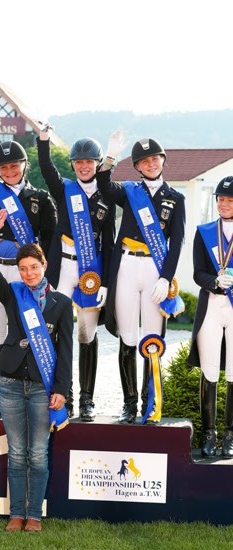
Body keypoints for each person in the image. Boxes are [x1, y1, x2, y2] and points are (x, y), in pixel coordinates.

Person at [0, 209, 73, 532]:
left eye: (34, 267)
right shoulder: (13, 294)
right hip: (10, 383)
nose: (29, 273)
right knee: (17, 453)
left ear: (44, 266)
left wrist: (62, 389)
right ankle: (16, 514)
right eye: (23, 269)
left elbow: (65, 351)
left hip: (42, 388)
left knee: (38, 453)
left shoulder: (61, 303)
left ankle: (35, 515)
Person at [0, 124, 57, 418]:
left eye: (14, 165)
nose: (9, 170)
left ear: (24, 165)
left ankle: (30, 391)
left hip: (25, 274)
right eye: (3, 167)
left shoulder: (40, 198)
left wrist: (48, 280)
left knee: (28, 331)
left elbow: (50, 241)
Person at [96, 134, 185, 423]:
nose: (150, 163)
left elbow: (177, 242)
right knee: (127, 338)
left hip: (154, 271)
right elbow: (104, 187)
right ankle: (128, 404)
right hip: (126, 267)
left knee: (152, 339)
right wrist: (109, 157)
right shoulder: (130, 191)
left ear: (162, 160)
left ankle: (151, 404)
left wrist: (166, 277)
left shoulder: (176, 198)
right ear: (136, 166)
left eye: (154, 158)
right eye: (144, 161)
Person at [37, 128, 115, 421]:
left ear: (96, 164)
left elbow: (109, 242)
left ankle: (87, 399)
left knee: (86, 334)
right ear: (73, 165)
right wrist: (43, 139)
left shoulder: (106, 196)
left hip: (90, 272)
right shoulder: (64, 189)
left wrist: (105, 281)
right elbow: (46, 169)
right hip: (62, 267)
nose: (84, 167)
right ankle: (62, 395)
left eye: (89, 162)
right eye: (78, 162)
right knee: (55, 330)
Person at [187, 176, 233, 457]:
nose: (224, 204)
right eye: (221, 199)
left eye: (229, 199)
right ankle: (209, 434)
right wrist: (215, 283)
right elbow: (197, 272)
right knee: (210, 369)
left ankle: (230, 435)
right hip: (212, 306)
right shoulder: (204, 231)